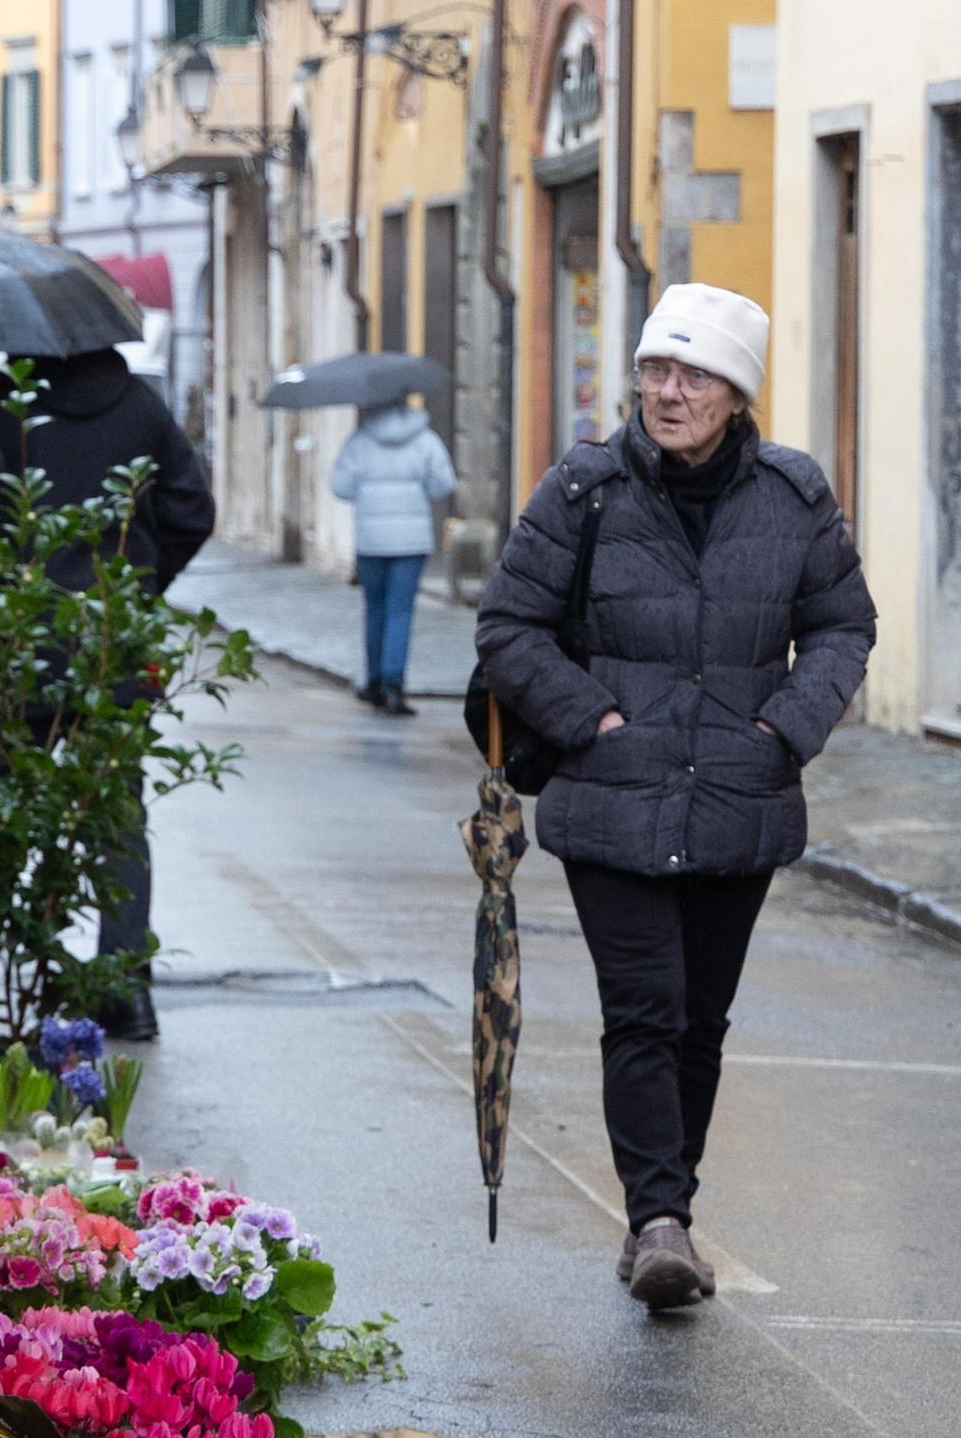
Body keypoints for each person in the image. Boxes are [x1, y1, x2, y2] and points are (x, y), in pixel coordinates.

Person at [473, 284, 875, 1311]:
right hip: (613, 797)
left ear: (737, 392)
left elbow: (841, 625)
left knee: (701, 1019)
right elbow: (507, 630)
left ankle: (667, 1209)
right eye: (655, 369)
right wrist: (594, 722)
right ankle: (658, 1218)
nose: (667, 390)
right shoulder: (582, 488)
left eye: (692, 374)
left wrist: (784, 728)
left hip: (739, 794)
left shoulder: (792, 497)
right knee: (645, 1009)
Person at [0, 344, 218, 1039]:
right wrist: (138, 583)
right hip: (113, 644)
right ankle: (125, 989)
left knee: (1, 810)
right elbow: (194, 509)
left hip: (20, 647)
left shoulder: (4, 410)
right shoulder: (138, 405)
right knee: (118, 818)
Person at [329, 396, 458, 715]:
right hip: (411, 542)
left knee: (374, 609)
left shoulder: (359, 440)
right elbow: (444, 484)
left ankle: (373, 682)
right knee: (400, 612)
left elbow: (340, 486)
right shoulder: (426, 439)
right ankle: (394, 687)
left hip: (371, 542)